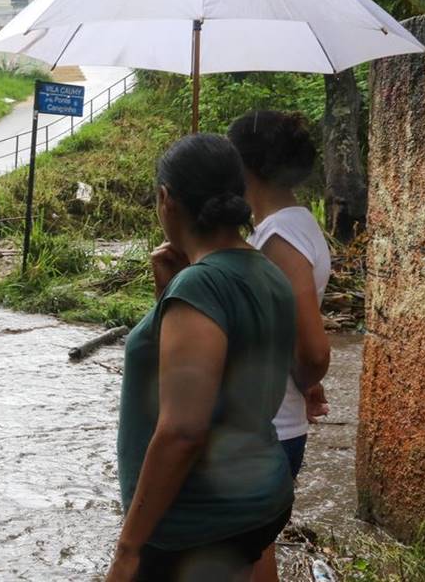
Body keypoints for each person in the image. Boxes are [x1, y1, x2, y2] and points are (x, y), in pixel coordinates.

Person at [107, 134, 296, 582]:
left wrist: (128, 548)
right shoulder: (268, 272)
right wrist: (167, 293)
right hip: (259, 498)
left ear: (165, 198)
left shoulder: (200, 288)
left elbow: (183, 431)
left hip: (193, 523)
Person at [228, 111, 332, 582]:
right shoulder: (292, 224)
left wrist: (306, 380)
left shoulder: (279, 238)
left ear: (244, 167)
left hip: (268, 427)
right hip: (275, 425)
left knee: (239, 550)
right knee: (252, 550)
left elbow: (313, 350)